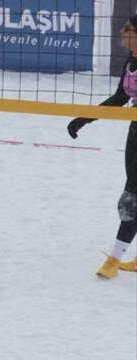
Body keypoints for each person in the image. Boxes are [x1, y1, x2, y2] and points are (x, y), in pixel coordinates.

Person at [68, 15, 137, 279]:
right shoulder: (130, 61)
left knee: (131, 197)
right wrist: (84, 119)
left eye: (128, 30)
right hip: (134, 130)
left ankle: (113, 260)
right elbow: (120, 98)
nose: (122, 33)